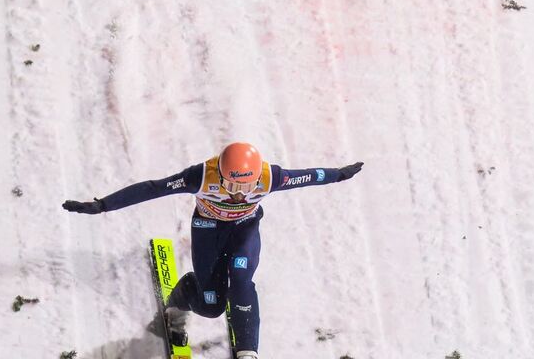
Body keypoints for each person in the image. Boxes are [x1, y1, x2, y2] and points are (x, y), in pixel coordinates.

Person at [62, 142, 364, 359]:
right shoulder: (202, 175)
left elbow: (308, 176)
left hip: (244, 230)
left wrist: (339, 174)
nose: (235, 192)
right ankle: (179, 304)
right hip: (207, 230)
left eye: (242, 187)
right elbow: (155, 187)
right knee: (211, 305)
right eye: (229, 184)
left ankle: (249, 350)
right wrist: (102, 205)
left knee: (242, 279)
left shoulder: (270, 177)